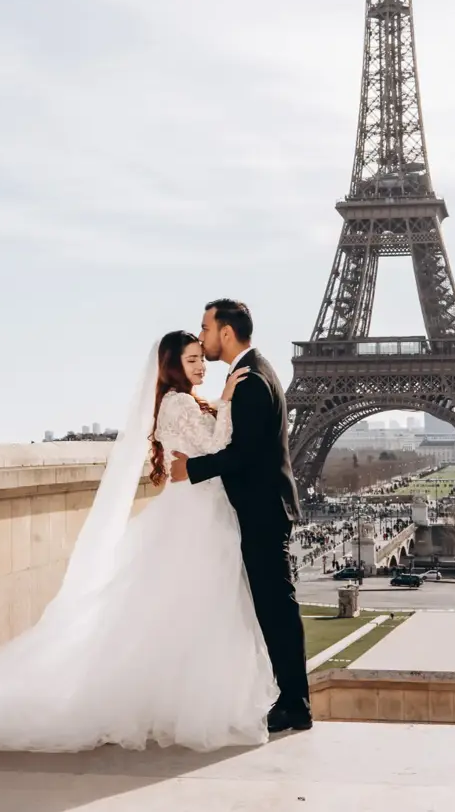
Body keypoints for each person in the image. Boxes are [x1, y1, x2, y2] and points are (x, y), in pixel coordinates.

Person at [0, 331, 277, 753]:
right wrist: (225, 401)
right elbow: (216, 445)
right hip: (196, 519)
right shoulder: (181, 403)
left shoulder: (175, 401)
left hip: (194, 515)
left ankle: (174, 705)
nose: (201, 365)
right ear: (171, 367)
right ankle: (188, 707)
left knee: (183, 615)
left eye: (200, 358)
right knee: (198, 613)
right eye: (190, 360)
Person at [170, 299, 311, 733]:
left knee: (275, 608)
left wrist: (190, 469)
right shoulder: (255, 373)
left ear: (226, 332)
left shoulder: (250, 380)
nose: (204, 336)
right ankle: (291, 698)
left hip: (262, 508)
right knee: (273, 607)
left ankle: (294, 703)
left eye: (206, 328)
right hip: (264, 505)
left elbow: (243, 453)